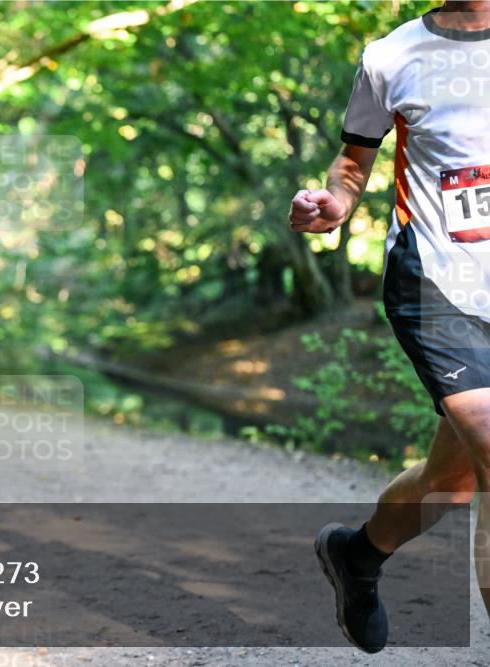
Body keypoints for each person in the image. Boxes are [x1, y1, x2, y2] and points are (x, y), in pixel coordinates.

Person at [289, 1, 490, 653]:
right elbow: (354, 160)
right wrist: (334, 203)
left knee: (452, 483)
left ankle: (358, 555)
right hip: (436, 283)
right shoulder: (390, 56)